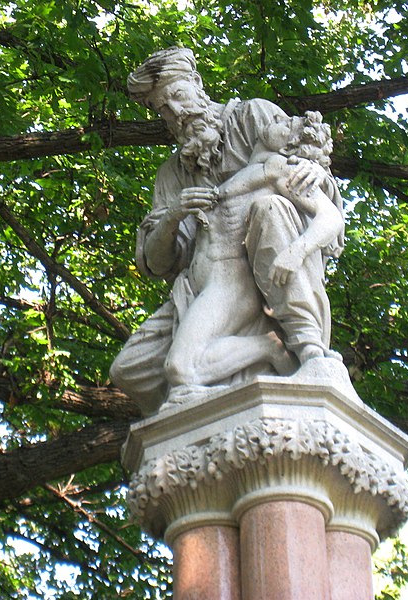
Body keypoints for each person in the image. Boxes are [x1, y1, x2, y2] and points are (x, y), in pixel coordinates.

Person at [109, 47, 344, 415]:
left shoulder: (255, 117)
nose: (176, 112)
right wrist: (173, 216)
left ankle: (308, 345)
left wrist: (315, 171)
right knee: (131, 370)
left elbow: (309, 173)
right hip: (201, 283)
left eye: (178, 96)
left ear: (198, 85)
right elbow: (155, 262)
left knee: (270, 207)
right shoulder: (173, 172)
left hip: (258, 269)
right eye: (162, 109)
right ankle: (245, 366)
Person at [161, 111, 344, 404]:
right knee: (179, 374)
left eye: (286, 125)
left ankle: (269, 349)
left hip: (230, 285)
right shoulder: (243, 172)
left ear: (287, 146)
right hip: (204, 286)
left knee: (180, 370)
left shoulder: (280, 169)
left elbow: (330, 217)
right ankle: (260, 360)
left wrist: (296, 252)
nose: (276, 120)